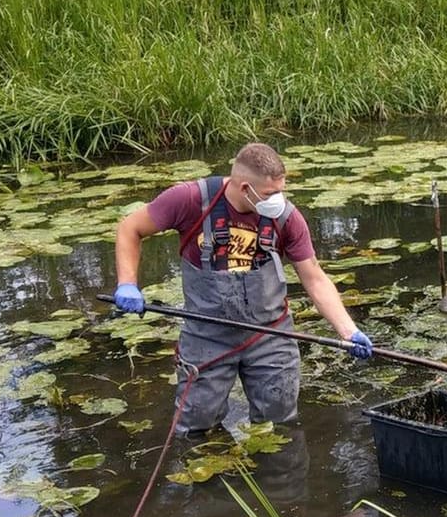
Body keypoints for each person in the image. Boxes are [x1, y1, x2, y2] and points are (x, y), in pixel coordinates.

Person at [110, 142, 375, 432]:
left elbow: (314, 277)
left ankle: (276, 476)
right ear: (245, 187)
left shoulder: (286, 217)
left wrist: (348, 330)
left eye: (281, 191)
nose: (279, 199)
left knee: (280, 427)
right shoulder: (189, 199)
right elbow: (130, 227)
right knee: (196, 428)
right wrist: (127, 284)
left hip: (270, 335)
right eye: (270, 194)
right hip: (206, 335)